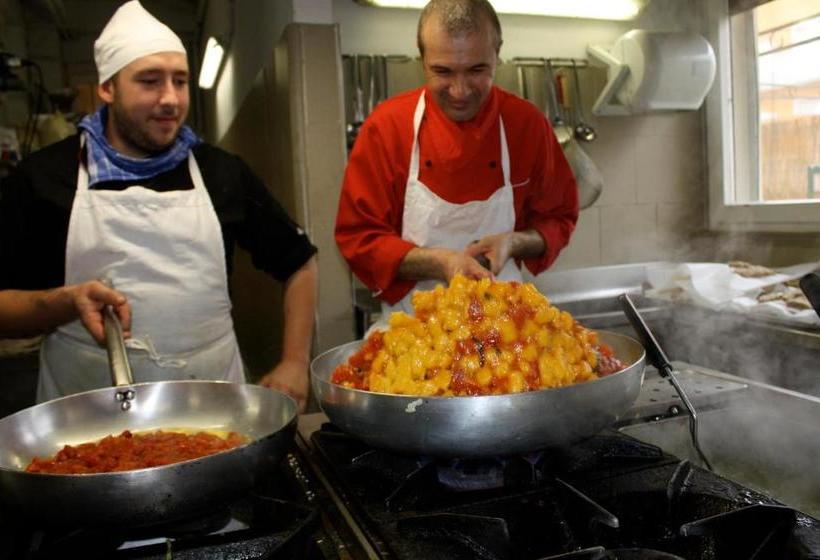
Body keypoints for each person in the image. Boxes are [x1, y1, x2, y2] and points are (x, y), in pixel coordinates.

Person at [0, 1, 317, 411]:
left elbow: (299, 264)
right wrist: (62, 303)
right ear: (107, 88)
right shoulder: (45, 177)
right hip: (86, 420)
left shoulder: (221, 173)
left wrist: (294, 362)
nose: (170, 98)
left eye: (180, 81)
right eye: (149, 81)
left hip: (213, 410)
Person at [335, 0, 578, 324]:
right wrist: (441, 262)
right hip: (415, 339)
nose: (460, 91)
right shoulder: (387, 128)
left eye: (477, 70)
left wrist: (515, 242)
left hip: (507, 338)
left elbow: (559, 218)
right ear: (422, 60)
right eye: (442, 71)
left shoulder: (526, 125)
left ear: (497, 54)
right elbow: (358, 238)